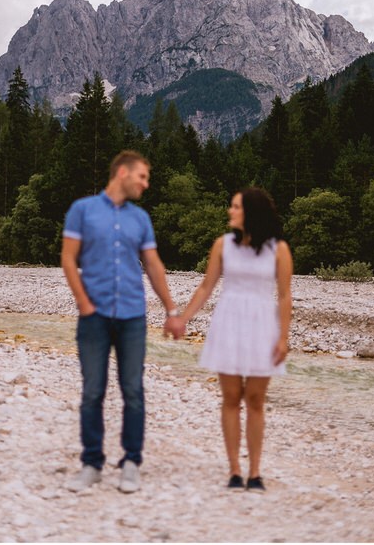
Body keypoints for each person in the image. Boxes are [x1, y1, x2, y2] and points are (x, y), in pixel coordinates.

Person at [62, 151, 180, 493]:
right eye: (142, 177)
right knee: (92, 391)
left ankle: (131, 462)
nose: (146, 183)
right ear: (123, 173)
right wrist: (83, 303)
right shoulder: (82, 210)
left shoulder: (140, 218)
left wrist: (171, 310)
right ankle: (91, 463)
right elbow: (69, 260)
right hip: (93, 316)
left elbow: (153, 265)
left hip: (132, 316)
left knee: (133, 391)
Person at [167, 187, 292, 491]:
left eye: (235, 207)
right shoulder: (222, 245)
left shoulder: (279, 249)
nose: (229, 211)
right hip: (230, 323)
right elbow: (205, 288)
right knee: (232, 399)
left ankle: (256, 472)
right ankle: (235, 469)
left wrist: (284, 338)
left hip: (263, 326)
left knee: (256, 400)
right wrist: (183, 319)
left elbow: (286, 295)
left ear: (251, 212)